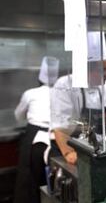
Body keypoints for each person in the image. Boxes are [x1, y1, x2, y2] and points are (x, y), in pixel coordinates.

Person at [50, 31, 106, 165]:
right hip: (72, 150)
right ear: (85, 69)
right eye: (103, 70)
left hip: (99, 151)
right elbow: (60, 128)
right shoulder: (64, 85)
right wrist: (69, 154)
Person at [13, 56, 59, 203]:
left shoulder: (30, 93)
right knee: (54, 183)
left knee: (29, 180)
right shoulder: (60, 94)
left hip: (34, 139)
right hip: (54, 138)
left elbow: (18, 115)